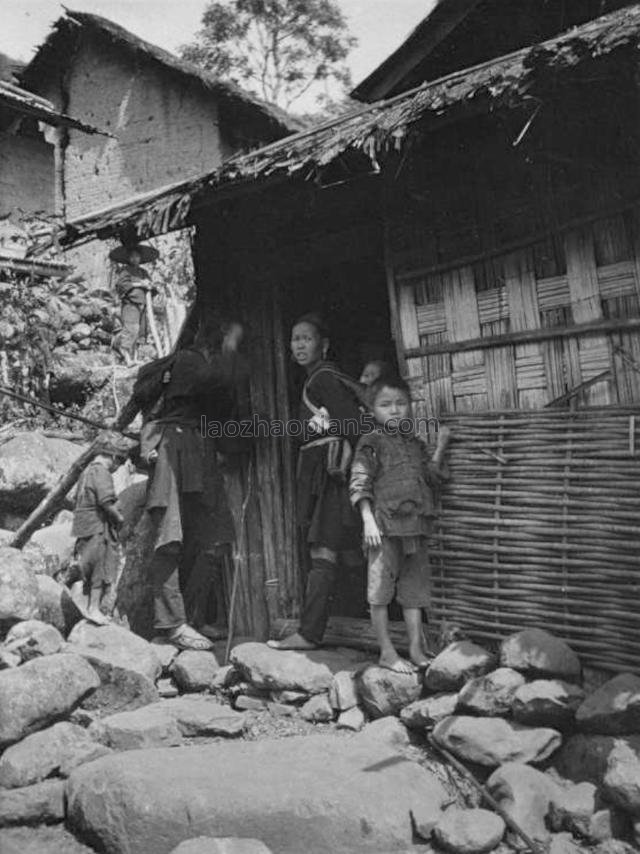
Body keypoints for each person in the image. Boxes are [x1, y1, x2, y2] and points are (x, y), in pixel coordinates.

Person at [116, 317, 246, 650]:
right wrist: (232, 348)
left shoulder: (204, 368)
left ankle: (194, 618)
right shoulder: (190, 361)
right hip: (174, 445)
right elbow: (220, 385)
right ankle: (171, 624)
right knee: (169, 536)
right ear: (212, 344)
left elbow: (222, 408)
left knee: (215, 537)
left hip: (200, 449)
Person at [268, 313, 364, 651]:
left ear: (324, 345)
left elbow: (353, 425)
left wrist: (332, 439)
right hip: (325, 473)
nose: (299, 345)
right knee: (348, 549)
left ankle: (309, 634)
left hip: (328, 474)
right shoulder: (318, 379)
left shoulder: (322, 378)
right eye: (295, 339)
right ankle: (357, 618)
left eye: (306, 338)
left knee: (323, 548)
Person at [349, 375, 451, 672]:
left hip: (415, 528)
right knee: (379, 591)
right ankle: (386, 651)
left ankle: (416, 649)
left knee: (414, 591)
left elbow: (433, 477)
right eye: (385, 405)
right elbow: (360, 482)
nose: (394, 410)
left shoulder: (414, 443)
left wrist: (441, 445)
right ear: (372, 411)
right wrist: (368, 521)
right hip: (384, 528)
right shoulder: (371, 442)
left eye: (400, 404)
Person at [72, 432, 129, 625]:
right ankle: (93, 608)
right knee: (99, 567)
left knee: (88, 564)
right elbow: (106, 502)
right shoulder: (101, 472)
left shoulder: (86, 471)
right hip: (97, 526)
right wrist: (120, 519)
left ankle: (88, 604)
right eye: (120, 462)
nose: (118, 467)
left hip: (83, 525)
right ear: (113, 456)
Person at [110, 243, 159, 366]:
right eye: (132, 257)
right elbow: (121, 285)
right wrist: (139, 284)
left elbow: (150, 285)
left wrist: (149, 285)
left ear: (140, 258)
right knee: (131, 330)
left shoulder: (143, 272)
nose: (134, 259)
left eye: (137, 256)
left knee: (140, 332)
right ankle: (127, 359)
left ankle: (135, 358)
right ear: (128, 258)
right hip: (130, 305)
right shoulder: (125, 271)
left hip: (142, 305)